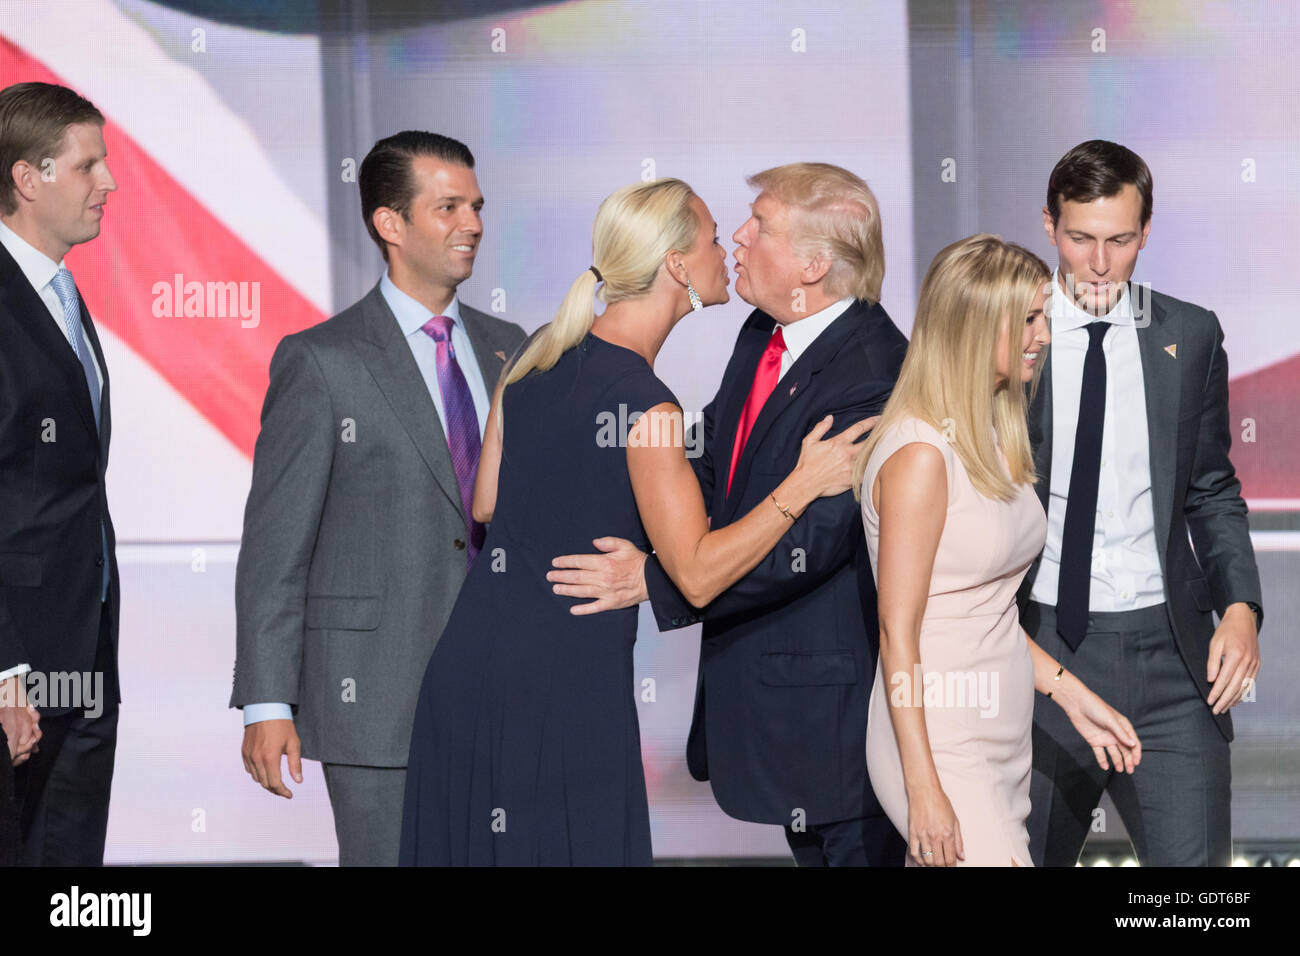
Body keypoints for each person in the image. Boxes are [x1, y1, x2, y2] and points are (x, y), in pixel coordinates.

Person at [399, 177, 874, 865]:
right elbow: (700, 574)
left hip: (470, 665)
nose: (728, 248)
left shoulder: (538, 353)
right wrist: (801, 485)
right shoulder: (648, 409)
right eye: (714, 238)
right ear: (677, 264)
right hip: (564, 683)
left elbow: (487, 503)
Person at [547, 163, 909, 866]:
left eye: (760, 223)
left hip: (833, 727)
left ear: (814, 263)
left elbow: (811, 545)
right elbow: (717, 463)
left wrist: (656, 580)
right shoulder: (762, 333)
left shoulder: (873, 371)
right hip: (781, 714)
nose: (739, 236)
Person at [230, 132, 526, 866]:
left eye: (478, 206)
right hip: (378, 703)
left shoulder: (510, 347)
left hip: (508, 693)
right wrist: (268, 703)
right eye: (449, 206)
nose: (474, 224)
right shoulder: (320, 361)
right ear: (389, 224)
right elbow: (276, 550)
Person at [858, 234, 1141, 867]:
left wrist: (1071, 694)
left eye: (1044, 316)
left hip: (1000, 736)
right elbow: (896, 632)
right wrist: (924, 787)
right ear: (974, 326)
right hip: (941, 740)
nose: (1043, 335)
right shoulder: (920, 455)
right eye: (1029, 320)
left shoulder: (989, 427)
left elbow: (988, 612)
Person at [1019, 141, 1264, 866]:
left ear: (1147, 231)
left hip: (1173, 660)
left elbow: (1211, 488)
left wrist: (1242, 608)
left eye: (1120, 240)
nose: (1099, 263)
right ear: (1048, 226)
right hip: (1039, 650)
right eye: (1080, 239)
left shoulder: (1188, 335)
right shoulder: (1006, 336)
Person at [0, 81, 120, 866]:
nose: (107, 184)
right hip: (18, 672)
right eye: (88, 166)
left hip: (87, 649)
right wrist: (5, 670)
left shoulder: (65, 296)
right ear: (27, 179)